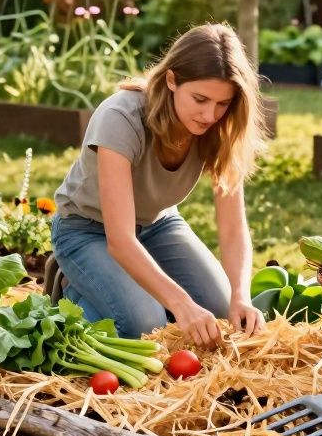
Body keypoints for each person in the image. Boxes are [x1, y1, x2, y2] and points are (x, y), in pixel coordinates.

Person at [51, 23, 269, 349]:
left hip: (158, 224)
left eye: (222, 103)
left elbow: (233, 228)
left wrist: (241, 295)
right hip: (87, 230)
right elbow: (120, 240)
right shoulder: (120, 118)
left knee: (221, 309)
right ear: (171, 80)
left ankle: (131, 290)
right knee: (146, 324)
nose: (210, 115)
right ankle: (72, 289)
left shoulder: (221, 126)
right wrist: (180, 303)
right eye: (200, 99)